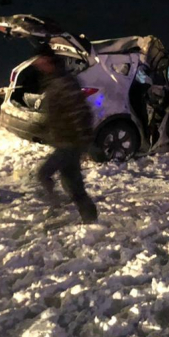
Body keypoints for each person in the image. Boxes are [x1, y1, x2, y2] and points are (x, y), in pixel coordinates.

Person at [33, 47, 98, 223]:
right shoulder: (54, 80)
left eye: (42, 62)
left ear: (51, 62)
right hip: (64, 140)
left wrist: (82, 142)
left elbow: (79, 112)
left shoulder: (64, 82)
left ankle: (55, 206)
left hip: (70, 142)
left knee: (43, 174)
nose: (39, 65)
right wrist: (44, 127)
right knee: (73, 184)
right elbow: (56, 112)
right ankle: (89, 217)